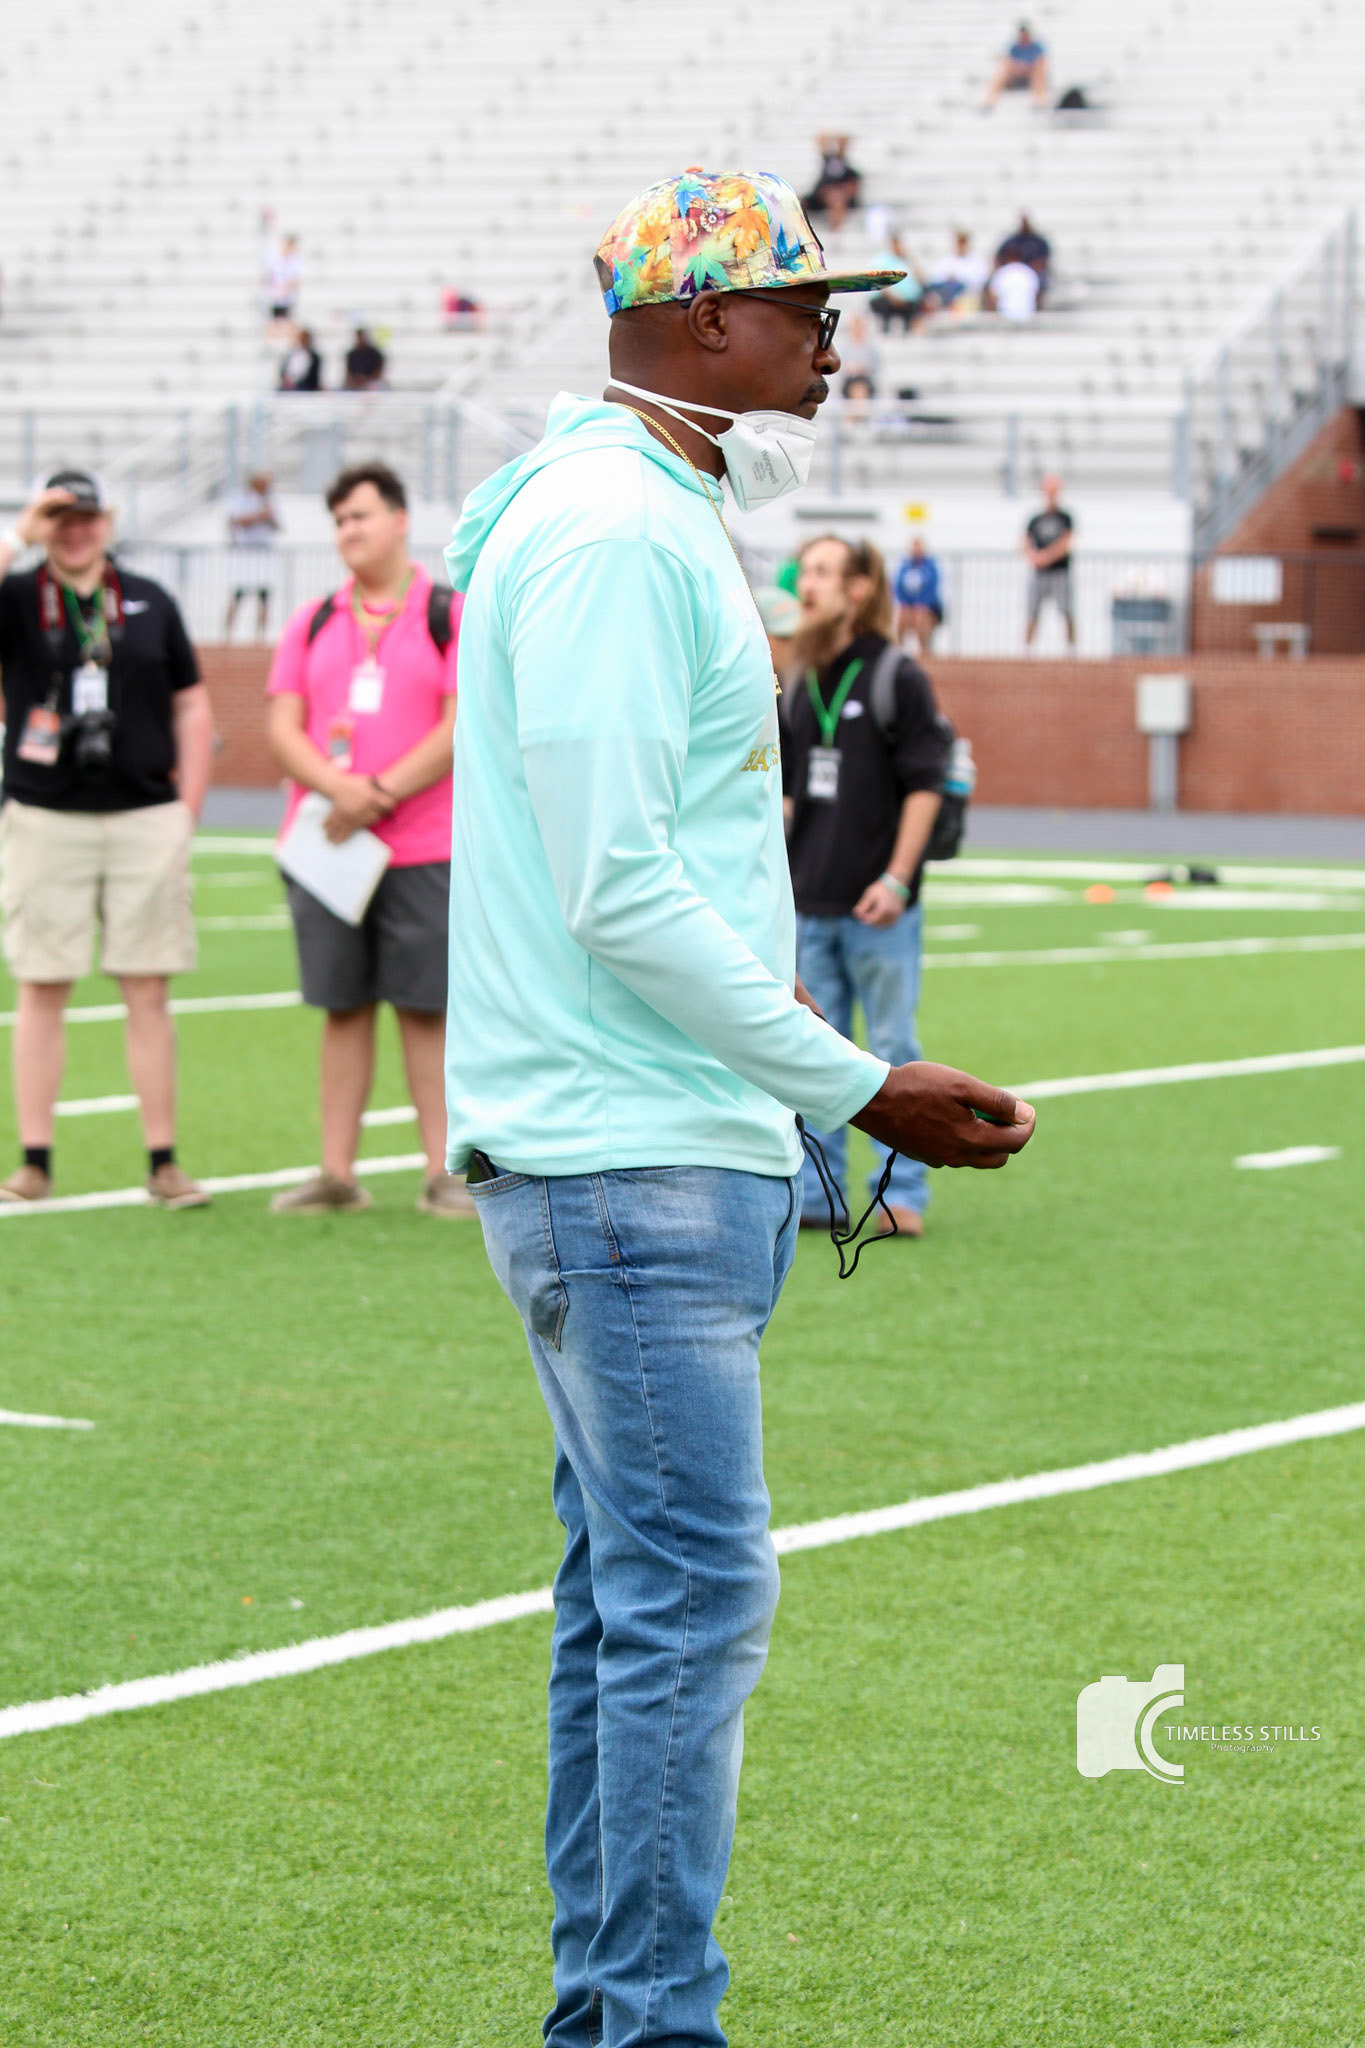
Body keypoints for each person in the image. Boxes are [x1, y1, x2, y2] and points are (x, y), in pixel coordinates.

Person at [442, 164, 1034, 2048]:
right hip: (627, 1153)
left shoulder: (636, 500)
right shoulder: (619, 527)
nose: (836, 337)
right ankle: (642, 2024)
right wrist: (859, 1081)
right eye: (807, 304)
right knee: (687, 1605)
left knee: (635, 1607)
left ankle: (618, 2013)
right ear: (706, 320)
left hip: (635, 1146)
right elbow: (619, 884)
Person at [0, 470, 214, 1206]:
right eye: (58, 517)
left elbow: (191, 704)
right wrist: (19, 533)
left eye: (85, 516)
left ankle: (164, 1161)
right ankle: (34, 1161)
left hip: (144, 815)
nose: (74, 530)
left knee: (147, 987)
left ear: (109, 520)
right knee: (41, 983)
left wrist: (186, 808)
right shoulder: (19, 596)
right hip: (44, 814)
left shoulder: (149, 598)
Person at [265, 463, 466, 1218]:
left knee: (425, 1010)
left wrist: (375, 792)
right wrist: (338, 787)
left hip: (424, 844)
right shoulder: (313, 619)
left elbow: (460, 722)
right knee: (342, 1006)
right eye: (340, 520)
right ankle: (336, 1173)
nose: (348, 531)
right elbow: (283, 726)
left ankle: (443, 1172)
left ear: (400, 520)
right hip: (330, 846)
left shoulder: (446, 613)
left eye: (360, 516)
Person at [782, 535, 948, 1239]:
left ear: (857, 588)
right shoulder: (797, 678)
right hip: (809, 901)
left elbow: (926, 785)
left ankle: (900, 1193)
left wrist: (897, 879)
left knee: (890, 1048)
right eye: (803, 572)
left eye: (822, 571)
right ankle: (817, 1193)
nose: (806, 585)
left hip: (879, 907)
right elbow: (785, 792)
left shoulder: (895, 676)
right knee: (814, 1055)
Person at [224, 471, 280, 639]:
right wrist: (259, 515)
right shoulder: (240, 498)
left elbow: (278, 525)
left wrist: (269, 516)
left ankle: (260, 638)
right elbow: (235, 520)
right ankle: (227, 636)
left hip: (263, 553)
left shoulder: (270, 500)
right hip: (245, 554)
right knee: (237, 595)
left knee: (264, 597)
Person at [1024, 471, 1075, 646]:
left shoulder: (1065, 518)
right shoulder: (1035, 519)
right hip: (1039, 573)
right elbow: (1024, 542)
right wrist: (1033, 556)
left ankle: (1072, 650)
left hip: (1060, 572)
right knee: (1032, 612)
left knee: (1067, 611)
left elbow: (1067, 542)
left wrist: (1046, 556)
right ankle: (1026, 651)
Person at [894, 533, 945, 650]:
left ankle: (924, 650)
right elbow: (898, 588)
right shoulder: (905, 567)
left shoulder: (930, 567)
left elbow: (932, 590)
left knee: (920, 616)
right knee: (901, 616)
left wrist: (920, 604)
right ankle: (898, 649)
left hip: (927, 608)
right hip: (909, 607)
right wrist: (906, 604)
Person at [983, 21, 1051, 108]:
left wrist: (1028, 68)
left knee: (1039, 73)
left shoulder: (1037, 46)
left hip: (1032, 76)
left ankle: (1040, 102)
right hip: (1015, 77)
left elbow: (1042, 62)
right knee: (1001, 73)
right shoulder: (1013, 46)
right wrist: (1018, 68)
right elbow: (1006, 61)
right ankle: (989, 102)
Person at [803, 133, 862, 231]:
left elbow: (852, 191)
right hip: (820, 198)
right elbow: (820, 139)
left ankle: (835, 230)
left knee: (836, 199)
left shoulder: (851, 172)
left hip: (838, 200)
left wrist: (834, 192)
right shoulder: (828, 162)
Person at [925, 229, 990, 313]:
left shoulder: (977, 262)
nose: (961, 245)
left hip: (967, 296)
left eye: (963, 242)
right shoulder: (946, 260)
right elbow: (934, 279)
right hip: (946, 296)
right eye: (959, 242)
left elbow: (978, 283)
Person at [996, 212, 1052, 295]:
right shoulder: (1013, 240)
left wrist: (1028, 272)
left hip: (1033, 271)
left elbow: (1043, 260)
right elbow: (999, 257)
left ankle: (1037, 302)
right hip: (1014, 271)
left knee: (1041, 280)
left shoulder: (1038, 241)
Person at [986, 256, 1042, 322]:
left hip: (1005, 314)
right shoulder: (1029, 272)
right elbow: (1037, 295)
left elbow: (993, 296)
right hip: (1027, 314)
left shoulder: (1002, 272)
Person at [263, 231, 302, 325]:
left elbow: (296, 280)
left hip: (287, 297)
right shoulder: (274, 257)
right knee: (274, 321)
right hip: (274, 296)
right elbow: (268, 276)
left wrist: (288, 286)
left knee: (286, 321)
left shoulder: (295, 261)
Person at [278, 326, 322, 392]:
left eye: (305, 339)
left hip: (304, 386)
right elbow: (282, 371)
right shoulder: (291, 354)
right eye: (301, 338)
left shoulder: (314, 357)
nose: (303, 340)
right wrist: (287, 380)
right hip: (288, 384)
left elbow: (313, 378)